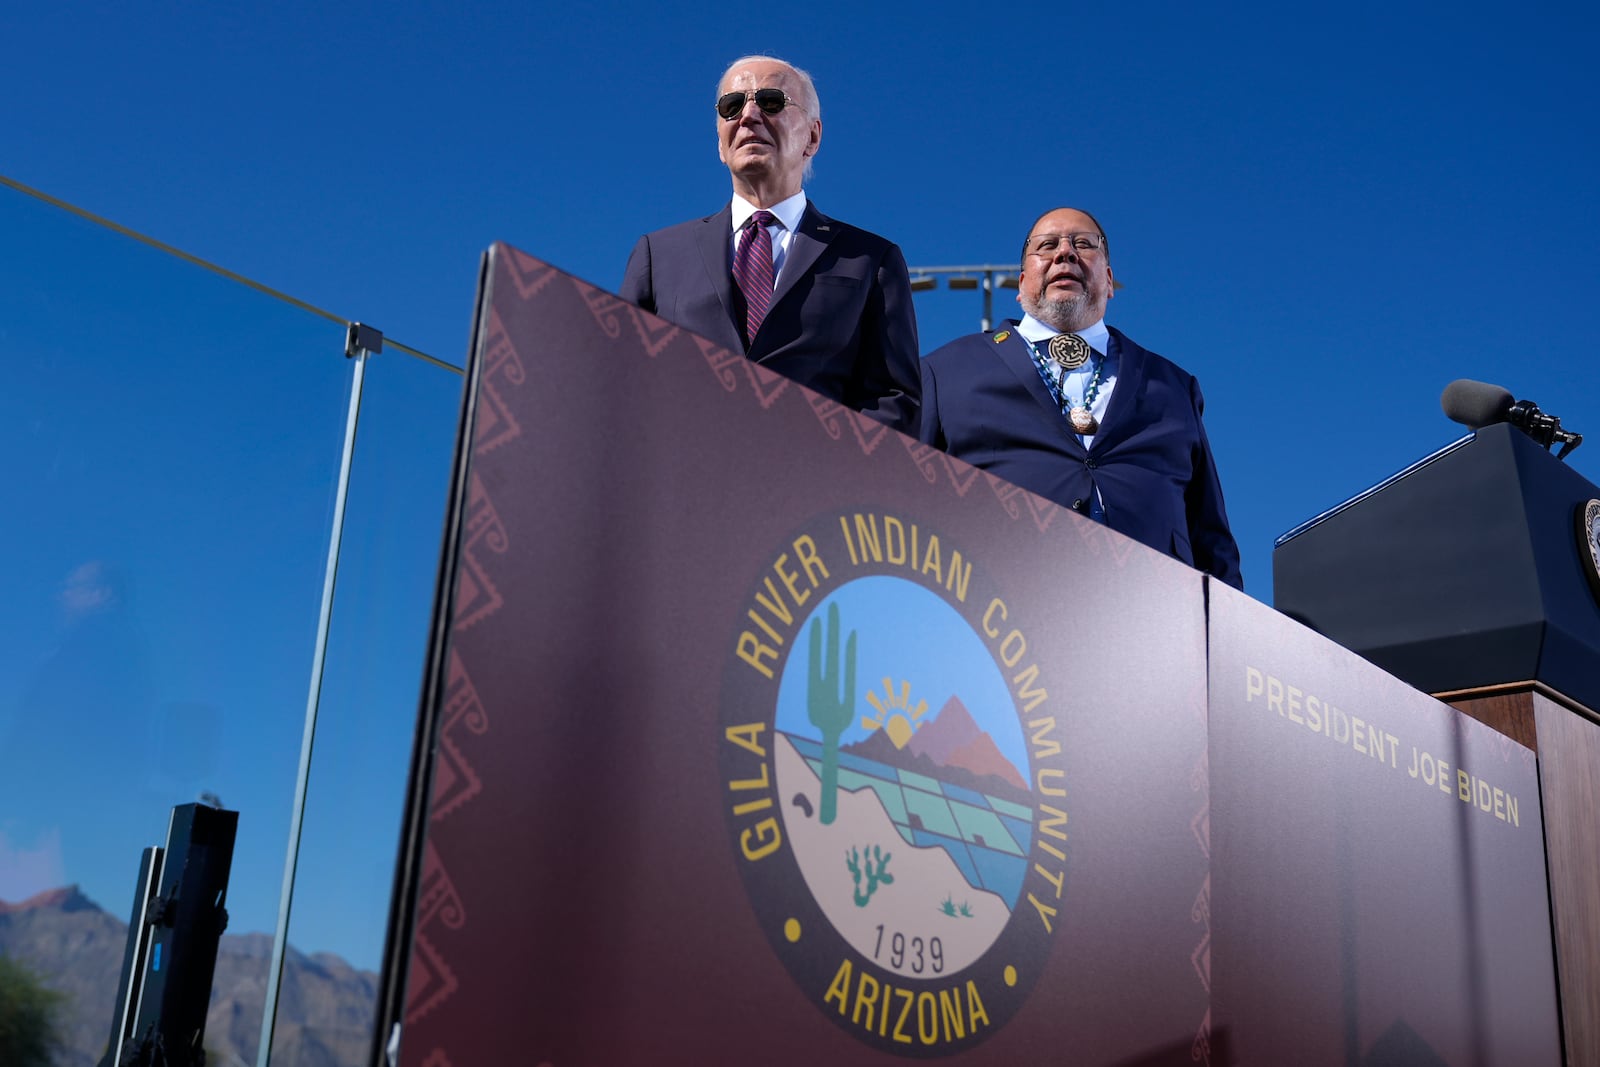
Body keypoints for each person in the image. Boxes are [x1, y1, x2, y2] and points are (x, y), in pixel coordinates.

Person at [919, 207, 1243, 588]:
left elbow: (1211, 537)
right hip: (998, 609)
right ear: (1022, 284)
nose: (1065, 253)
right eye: (1047, 246)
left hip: (1155, 616)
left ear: (1108, 280)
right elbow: (908, 504)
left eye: (1084, 244)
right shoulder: (946, 371)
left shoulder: (1173, 385)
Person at [621, 56, 919, 434]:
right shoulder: (658, 255)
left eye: (770, 101)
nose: (748, 116)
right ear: (720, 142)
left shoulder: (870, 260)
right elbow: (624, 384)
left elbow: (892, 401)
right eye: (732, 106)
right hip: (683, 480)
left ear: (812, 136)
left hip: (814, 483)